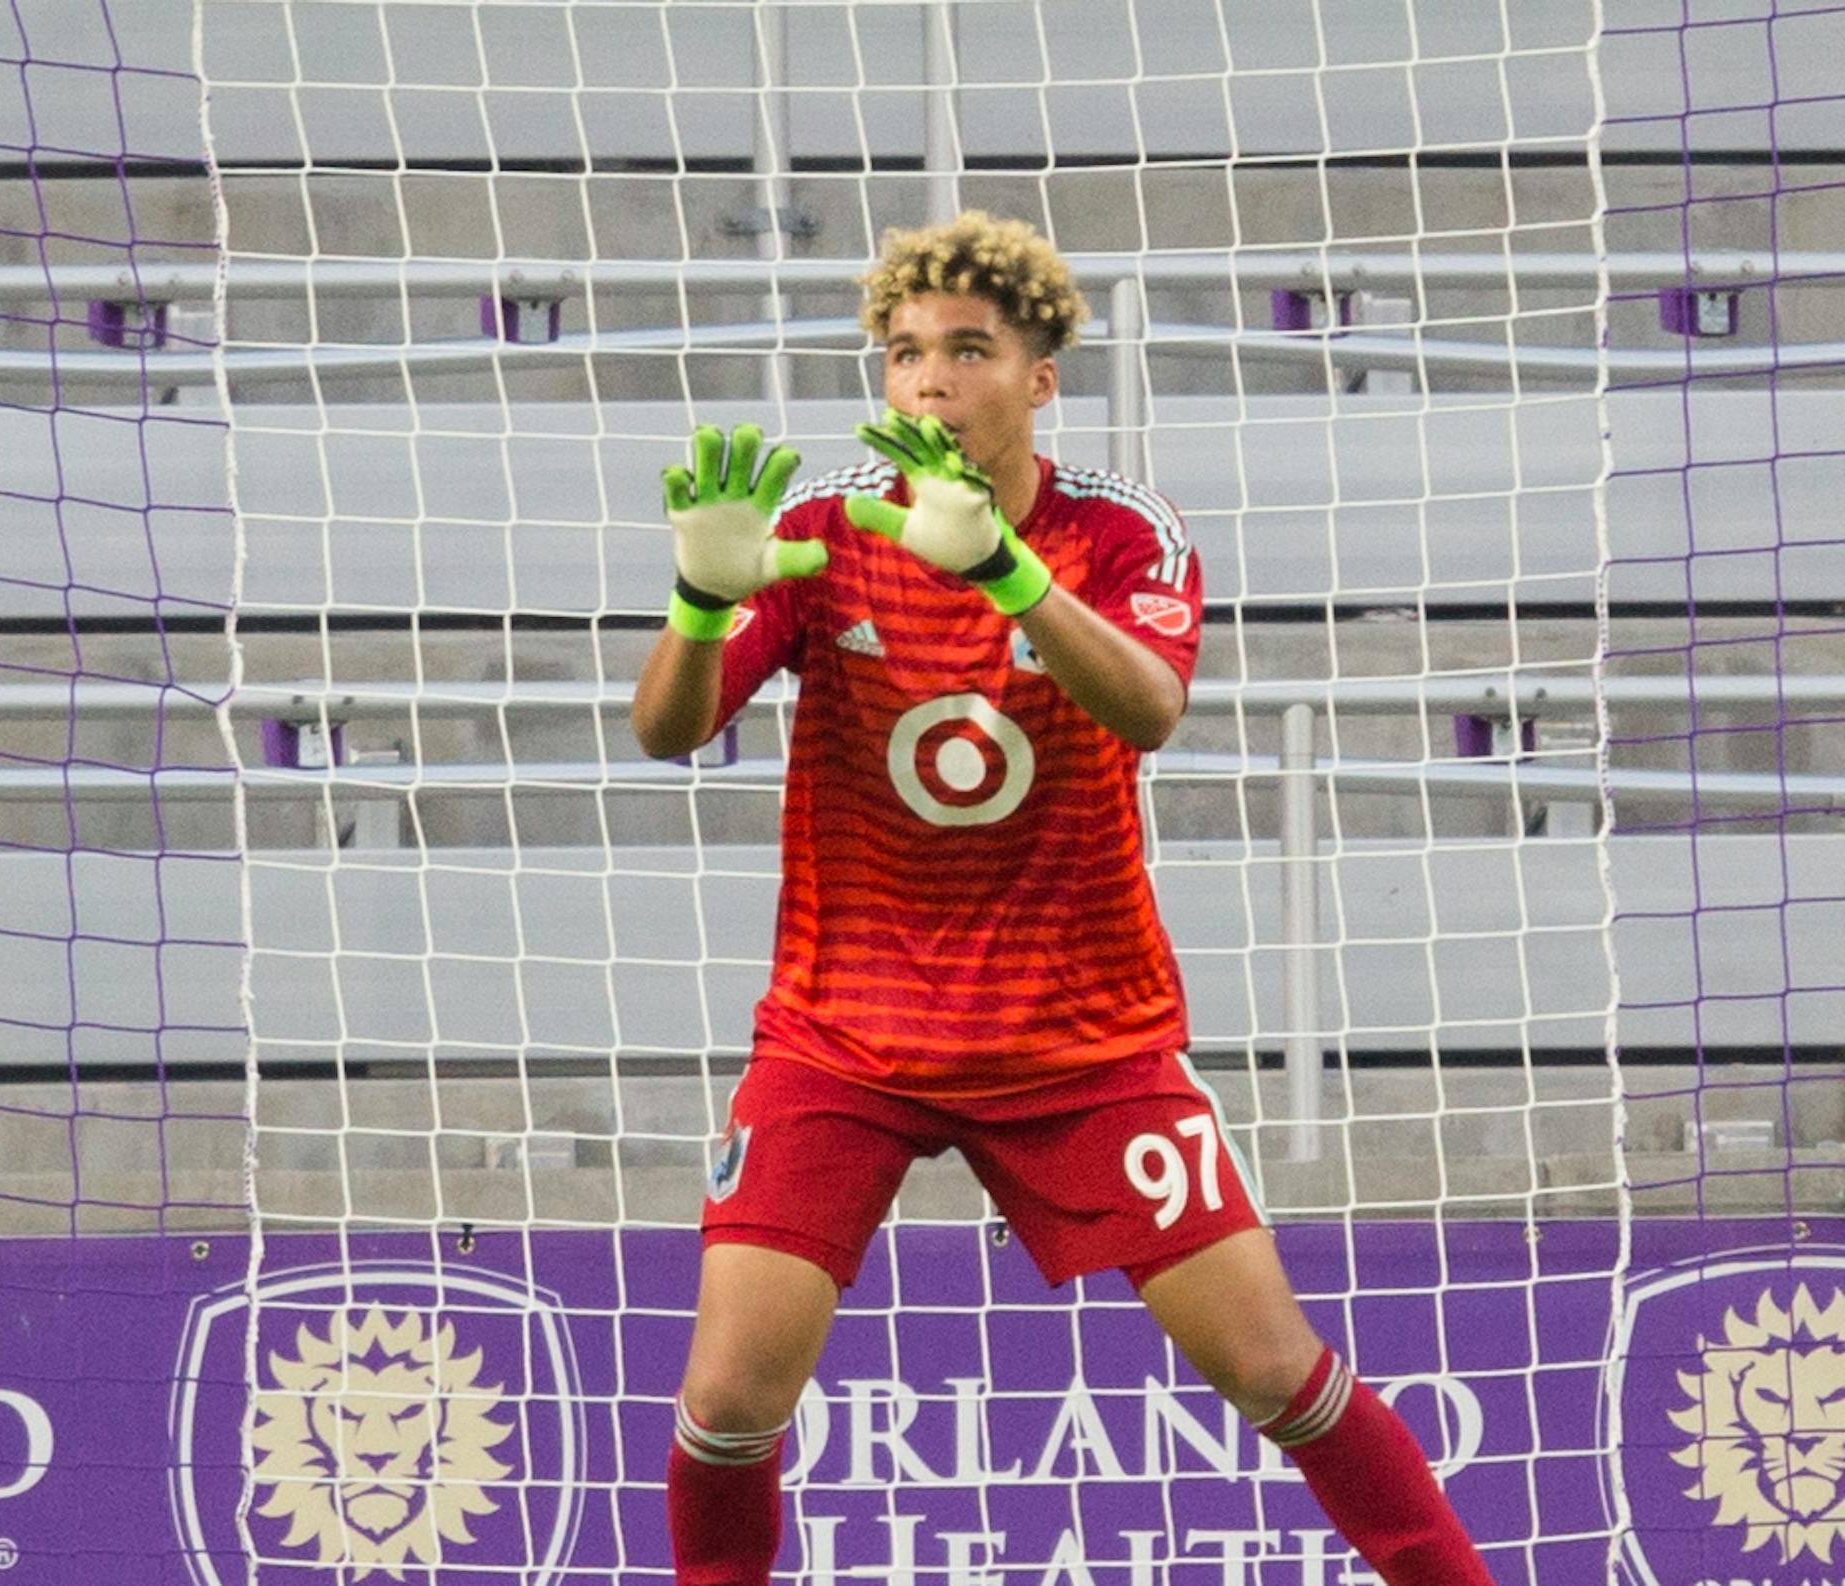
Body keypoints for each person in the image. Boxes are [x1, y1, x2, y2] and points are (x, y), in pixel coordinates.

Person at [630, 211, 1494, 1586]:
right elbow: (668, 731)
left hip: (1080, 1037)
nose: (929, 379)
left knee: (1277, 1368)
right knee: (729, 1401)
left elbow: (1148, 709)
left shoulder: (1123, 531)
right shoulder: (822, 529)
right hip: (845, 1033)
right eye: (905, 351)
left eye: (969, 350)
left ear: (1040, 378)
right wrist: (694, 600)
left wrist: (1004, 570)